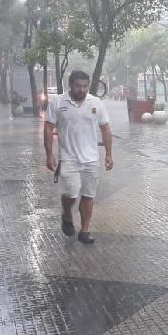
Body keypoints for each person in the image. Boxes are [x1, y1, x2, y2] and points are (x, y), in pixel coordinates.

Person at [44, 70, 113, 244]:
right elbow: (48, 128)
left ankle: (84, 230)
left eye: (85, 86)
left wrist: (109, 154)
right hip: (68, 158)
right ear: (71, 86)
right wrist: (49, 154)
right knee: (71, 194)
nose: (81, 90)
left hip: (91, 159)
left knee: (88, 195)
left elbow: (105, 128)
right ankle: (67, 214)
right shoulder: (57, 102)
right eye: (78, 86)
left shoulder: (96, 103)